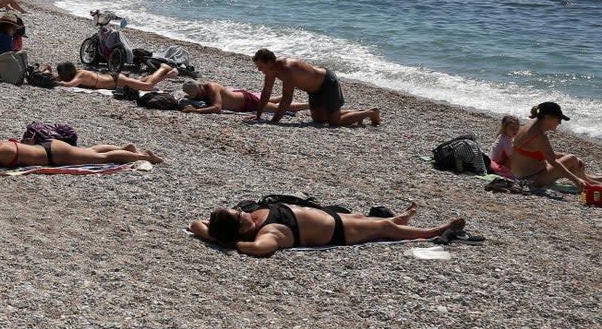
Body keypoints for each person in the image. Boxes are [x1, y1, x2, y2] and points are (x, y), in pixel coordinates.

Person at [189, 201, 465, 258]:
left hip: (335, 216)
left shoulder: (249, 223)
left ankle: (402, 220)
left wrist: (215, 236)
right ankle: (431, 231)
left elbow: (195, 224)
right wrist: (232, 245)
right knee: (382, 227)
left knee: (360, 215)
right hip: (339, 232)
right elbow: (260, 250)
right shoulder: (269, 234)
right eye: (241, 215)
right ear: (240, 230)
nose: (246, 212)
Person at [251, 49, 380, 126]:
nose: (259, 69)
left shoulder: (286, 69)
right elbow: (266, 92)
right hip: (313, 90)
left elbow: (287, 98)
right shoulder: (270, 71)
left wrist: (274, 121)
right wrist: (258, 116)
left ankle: (371, 113)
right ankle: (359, 113)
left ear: (269, 62)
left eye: (260, 66)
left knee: (334, 122)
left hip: (327, 83)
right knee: (319, 119)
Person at [509, 102, 599, 190]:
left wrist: (564, 156)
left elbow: (541, 152)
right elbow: (553, 161)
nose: (559, 123)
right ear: (547, 117)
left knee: (574, 161)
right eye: (558, 119)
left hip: (525, 174)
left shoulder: (528, 128)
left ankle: (591, 180)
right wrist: (576, 181)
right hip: (532, 179)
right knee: (571, 159)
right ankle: (590, 182)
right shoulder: (539, 136)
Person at [0, 139, 163, 169]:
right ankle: (127, 150)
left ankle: (145, 157)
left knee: (103, 159)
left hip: (53, 155)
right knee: (88, 151)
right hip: (50, 147)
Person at [179, 79, 310, 116]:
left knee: (276, 108)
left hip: (246, 102)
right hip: (242, 97)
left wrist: (196, 111)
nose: (200, 96)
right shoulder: (201, 91)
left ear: (201, 87)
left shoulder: (212, 88)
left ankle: (310, 105)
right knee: (268, 100)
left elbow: (217, 108)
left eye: (200, 93)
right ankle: (285, 95)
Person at [55, 61, 179, 91]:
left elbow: (69, 85)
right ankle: (163, 70)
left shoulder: (80, 76)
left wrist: (54, 82)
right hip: (114, 78)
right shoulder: (79, 73)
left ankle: (166, 72)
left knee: (148, 86)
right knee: (141, 81)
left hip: (116, 80)